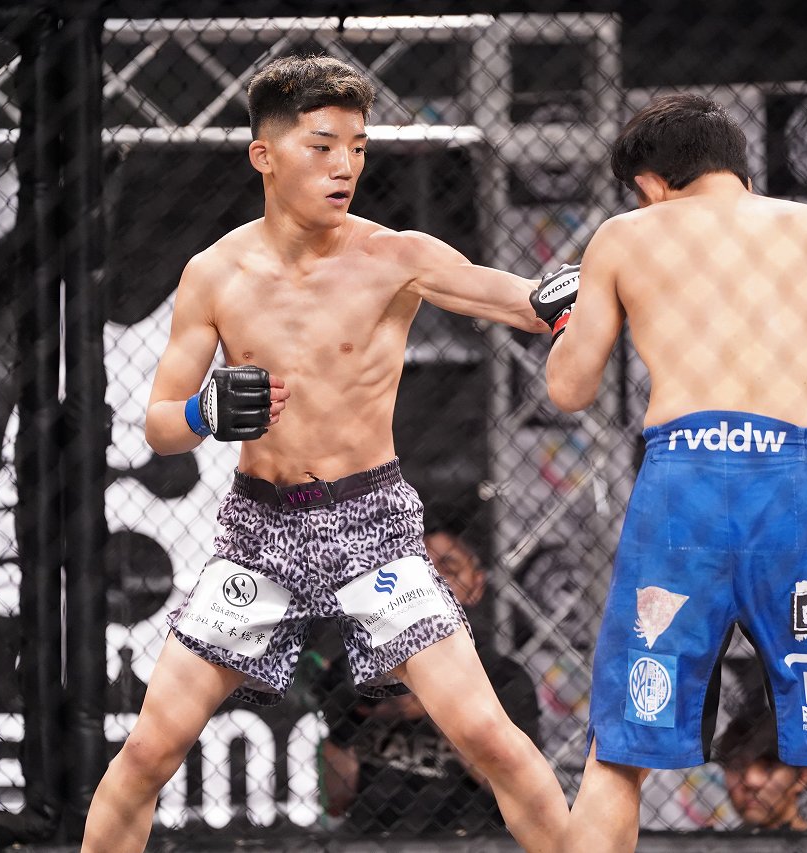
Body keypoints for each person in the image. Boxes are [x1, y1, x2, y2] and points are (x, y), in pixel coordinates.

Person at [80, 54, 567, 853]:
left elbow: (523, 299)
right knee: (148, 750)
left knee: (491, 739)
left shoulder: (396, 256)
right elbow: (161, 425)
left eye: (358, 147)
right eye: (322, 146)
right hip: (259, 533)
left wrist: (581, 290)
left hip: (371, 527)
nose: (346, 166)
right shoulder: (215, 273)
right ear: (264, 155)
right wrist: (204, 411)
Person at [529, 93, 807, 852]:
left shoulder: (627, 235)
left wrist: (567, 315)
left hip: (686, 487)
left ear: (650, 183)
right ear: (737, 166)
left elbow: (568, 389)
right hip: (794, 485)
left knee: (619, 755)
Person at [317, 525, 542, 836]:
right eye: (418, 566)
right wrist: (356, 716)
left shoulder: (503, 677)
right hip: (375, 839)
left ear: (475, 586)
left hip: (470, 840)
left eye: (448, 568)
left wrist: (436, 704)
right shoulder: (360, 666)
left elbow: (520, 792)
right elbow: (336, 802)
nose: (431, 578)